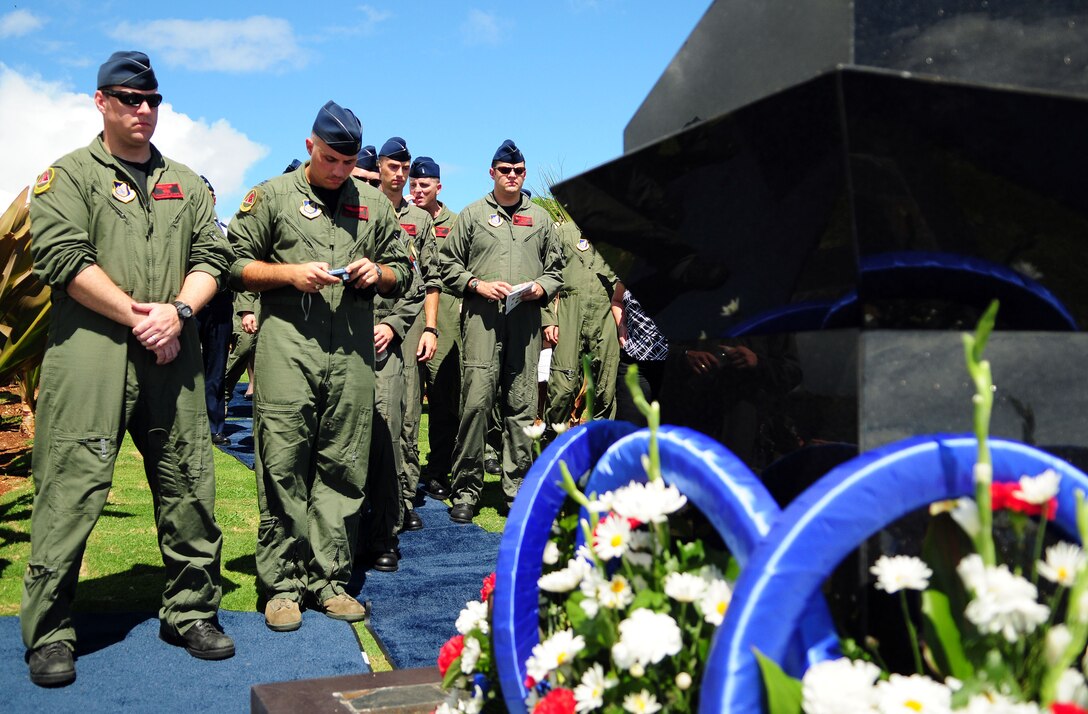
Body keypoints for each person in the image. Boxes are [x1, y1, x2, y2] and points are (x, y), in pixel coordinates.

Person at [21, 50, 235, 687]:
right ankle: (52, 632)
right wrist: (139, 317)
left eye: (152, 101)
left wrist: (175, 313)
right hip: (92, 355)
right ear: (100, 102)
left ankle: (191, 610)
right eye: (128, 99)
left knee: (189, 484)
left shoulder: (190, 183)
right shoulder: (67, 177)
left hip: (174, 354)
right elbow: (62, 254)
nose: (143, 111)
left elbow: (212, 256)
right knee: (70, 487)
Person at [228, 101, 409, 631]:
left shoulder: (374, 204)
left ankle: (328, 580)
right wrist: (288, 275)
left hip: (351, 352)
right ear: (310, 146)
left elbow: (405, 270)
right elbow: (232, 263)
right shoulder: (272, 196)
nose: (338, 171)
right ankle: (282, 585)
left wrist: (378, 273)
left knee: (343, 465)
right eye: (329, 159)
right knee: (283, 463)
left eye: (348, 163)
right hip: (288, 349)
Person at [439, 139, 564, 523]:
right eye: (505, 171)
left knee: (522, 405)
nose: (512, 176)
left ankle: (517, 488)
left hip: (525, 321)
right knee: (476, 402)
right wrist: (477, 284)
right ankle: (465, 489)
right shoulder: (473, 215)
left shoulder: (540, 219)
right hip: (482, 320)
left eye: (519, 171)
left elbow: (556, 269)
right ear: (492, 172)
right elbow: (447, 265)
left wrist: (541, 287)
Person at [222, 160, 301, 407]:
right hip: (258, 298)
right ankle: (222, 389)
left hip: (293, 306)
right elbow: (246, 261)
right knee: (246, 346)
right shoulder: (270, 204)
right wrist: (246, 309)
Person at [410, 157, 460, 502]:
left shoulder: (456, 223)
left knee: (444, 400)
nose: (417, 190)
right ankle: (405, 472)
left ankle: (439, 469)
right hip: (410, 319)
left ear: (438, 187)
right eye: (414, 185)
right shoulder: (402, 219)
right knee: (408, 402)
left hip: (447, 322)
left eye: (424, 186)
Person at [544, 220, 620, 430]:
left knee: (605, 387)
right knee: (562, 386)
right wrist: (549, 318)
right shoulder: (565, 232)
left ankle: (598, 447)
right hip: (570, 311)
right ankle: (552, 443)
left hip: (607, 313)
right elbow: (549, 275)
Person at [195, 175, 234, 444]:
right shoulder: (185, 230)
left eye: (207, 193)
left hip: (220, 305)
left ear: (214, 198)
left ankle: (215, 426)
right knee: (187, 367)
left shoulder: (227, 229)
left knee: (216, 367)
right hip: (193, 305)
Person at [610, 281, 670, 425]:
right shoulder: (637, 275)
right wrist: (621, 324)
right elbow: (617, 300)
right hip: (634, 362)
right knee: (629, 429)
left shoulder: (684, 280)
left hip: (671, 366)